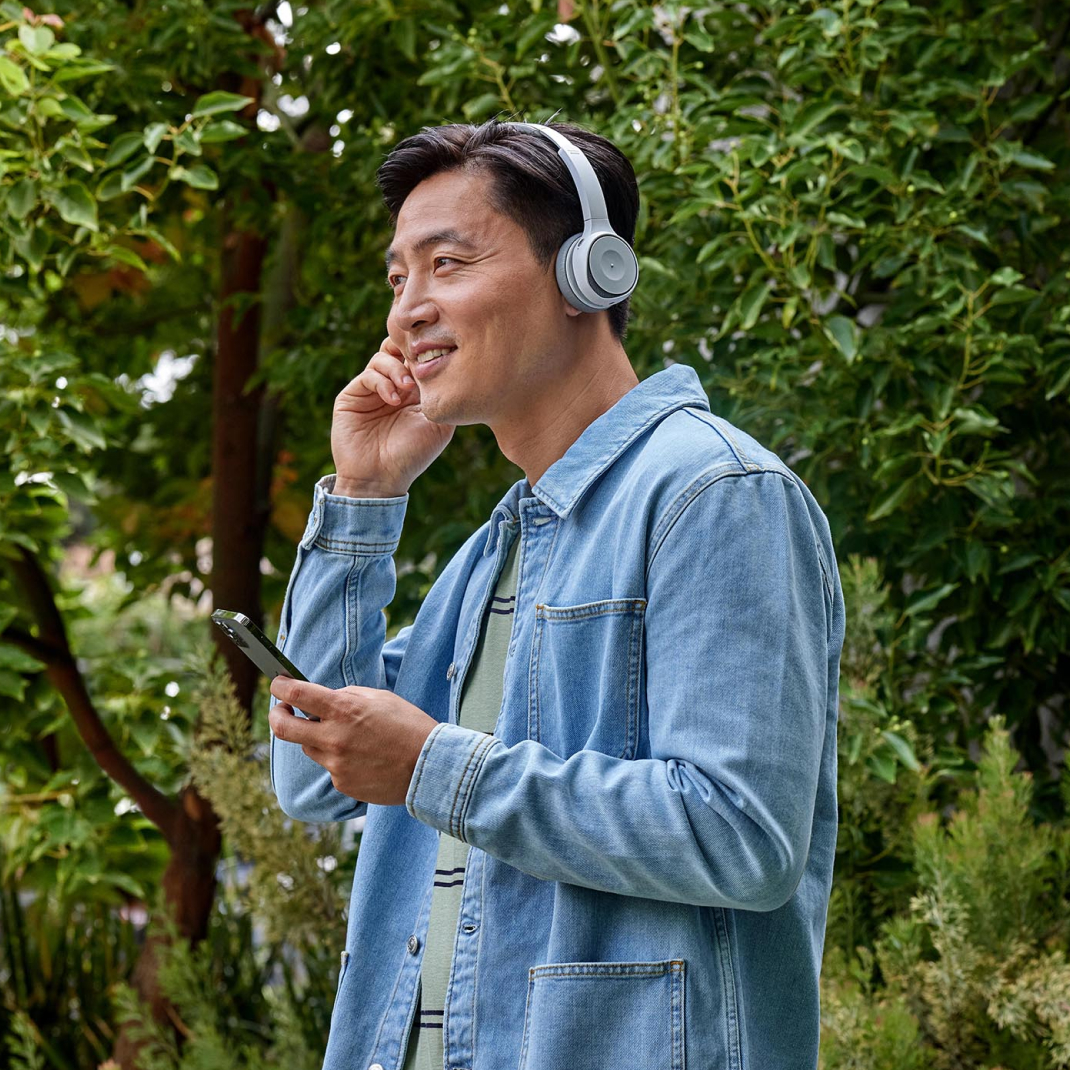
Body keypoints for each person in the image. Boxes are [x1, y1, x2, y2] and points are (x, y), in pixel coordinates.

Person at [267, 118, 845, 1070]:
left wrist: (432, 768)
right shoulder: (495, 549)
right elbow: (309, 780)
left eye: (447, 263)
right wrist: (366, 497)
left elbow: (742, 835)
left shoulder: (715, 495)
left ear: (590, 274)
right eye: (398, 278)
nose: (408, 309)